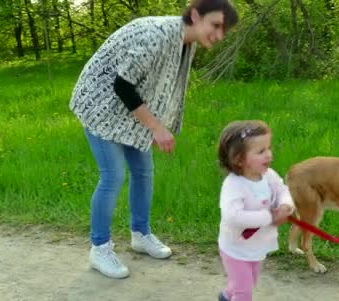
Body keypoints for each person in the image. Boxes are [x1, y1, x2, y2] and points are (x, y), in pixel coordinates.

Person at [69, 0, 239, 279]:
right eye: (216, 25)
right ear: (196, 15)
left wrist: (159, 123)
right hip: (99, 105)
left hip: (127, 112)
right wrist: (156, 127)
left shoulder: (184, 40)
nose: (219, 35)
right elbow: (122, 84)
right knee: (112, 176)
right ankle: (99, 248)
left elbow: (155, 83)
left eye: (225, 30)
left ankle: (140, 234)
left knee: (143, 172)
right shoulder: (158, 35)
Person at [216, 120, 295, 301]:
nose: (268, 155)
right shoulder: (234, 185)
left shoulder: (268, 176)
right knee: (245, 290)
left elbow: (282, 189)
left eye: (268, 148)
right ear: (239, 160)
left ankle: (225, 297)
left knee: (249, 282)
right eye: (260, 151)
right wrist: (270, 217)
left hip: (258, 245)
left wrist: (287, 205)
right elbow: (233, 217)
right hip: (235, 247)